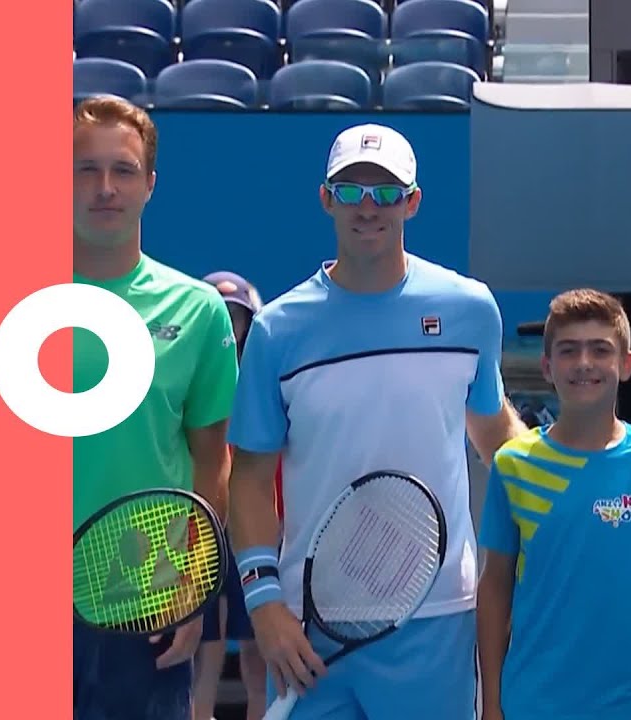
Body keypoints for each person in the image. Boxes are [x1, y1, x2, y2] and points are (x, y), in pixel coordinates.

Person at [225, 123, 528, 720]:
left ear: (412, 202)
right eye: (351, 190)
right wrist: (265, 605)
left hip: (438, 617)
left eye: (387, 192)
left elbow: (494, 434)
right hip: (307, 625)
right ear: (326, 199)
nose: (369, 207)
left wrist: (563, 491)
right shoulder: (277, 330)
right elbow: (250, 481)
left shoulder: (469, 310)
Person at [71, 95, 239, 720]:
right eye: (86, 169)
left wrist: (193, 590)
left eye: (123, 170)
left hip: (144, 616)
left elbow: (211, 462)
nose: (105, 188)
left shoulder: (198, 311)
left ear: (150, 185)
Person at [476, 289, 631, 720]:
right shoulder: (514, 464)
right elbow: (494, 587)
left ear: (627, 364)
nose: (584, 363)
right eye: (569, 351)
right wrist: (490, 704)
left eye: (600, 350)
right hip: (534, 703)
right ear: (547, 367)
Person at [192, 271, 270, 720]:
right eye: (220, 314)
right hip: (202, 526)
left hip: (252, 530)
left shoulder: (263, 379)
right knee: (207, 648)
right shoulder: (189, 373)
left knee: (259, 653)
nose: (228, 324)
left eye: (235, 315)